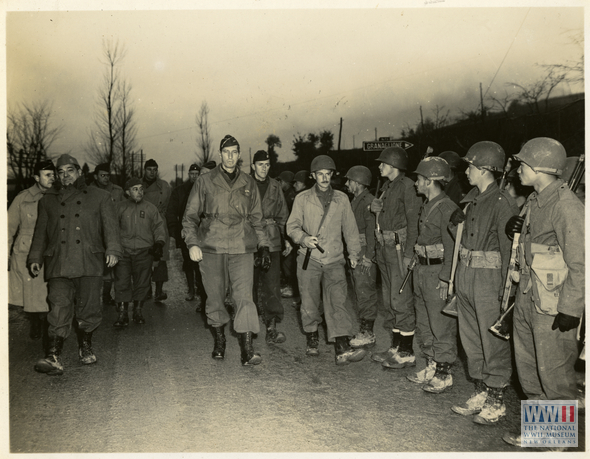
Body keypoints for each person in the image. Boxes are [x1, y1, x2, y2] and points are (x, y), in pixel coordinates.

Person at [502, 138, 585, 447]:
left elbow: (581, 262)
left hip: (553, 305)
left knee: (554, 372)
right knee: (529, 368)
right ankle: (541, 432)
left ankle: (558, 442)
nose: (516, 171)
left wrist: (571, 308)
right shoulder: (536, 200)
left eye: (522, 165)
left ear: (539, 168)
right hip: (528, 297)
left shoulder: (566, 206)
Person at [28, 154, 122, 376]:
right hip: (59, 260)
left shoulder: (99, 196)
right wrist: (35, 258)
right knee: (58, 305)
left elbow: (111, 227)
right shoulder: (47, 200)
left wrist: (113, 249)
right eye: (60, 172)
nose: (65, 175)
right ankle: (53, 354)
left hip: (89, 259)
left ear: (80, 172)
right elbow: (40, 233)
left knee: (88, 307)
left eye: (70, 170)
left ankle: (85, 345)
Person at [182, 135, 270, 366]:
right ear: (220, 155)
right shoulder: (205, 181)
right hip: (212, 246)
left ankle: (247, 349)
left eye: (234, 152)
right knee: (215, 296)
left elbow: (258, 219)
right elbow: (189, 217)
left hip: (242, 246)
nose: (230, 157)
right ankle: (220, 341)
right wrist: (192, 243)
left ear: (239, 155)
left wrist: (264, 246)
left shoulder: (248, 182)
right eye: (226, 152)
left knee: (244, 297)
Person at [449, 141, 518, 424]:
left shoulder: (502, 201)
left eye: (470, 166)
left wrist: (507, 293)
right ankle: (481, 390)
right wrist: (455, 225)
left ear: (484, 169)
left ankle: (497, 399)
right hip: (466, 275)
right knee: (471, 338)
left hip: (489, 280)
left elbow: (508, 249)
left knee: (492, 341)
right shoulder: (471, 199)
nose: (466, 171)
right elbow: (462, 242)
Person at [286, 155, 366, 365]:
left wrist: (354, 254)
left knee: (337, 301)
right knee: (309, 301)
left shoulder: (341, 198)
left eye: (327, 174)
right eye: (319, 174)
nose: (324, 178)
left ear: (332, 175)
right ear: (313, 176)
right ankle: (312, 336)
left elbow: (350, 229)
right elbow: (291, 226)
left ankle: (342, 347)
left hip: (334, 258)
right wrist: (303, 239)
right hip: (309, 258)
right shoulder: (302, 198)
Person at [406, 157, 459, 394]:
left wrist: (446, 278)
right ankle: (431, 364)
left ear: (428, 181)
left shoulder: (447, 208)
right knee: (425, 322)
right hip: (422, 269)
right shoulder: (426, 205)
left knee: (441, 324)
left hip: (437, 271)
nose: (415, 183)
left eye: (418, 179)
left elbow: (452, 246)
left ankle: (444, 372)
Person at [369, 147, 422, 369]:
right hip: (385, 248)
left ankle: (407, 352)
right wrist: (375, 210)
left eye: (383, 163)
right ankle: (397, 346)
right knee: (390, 299)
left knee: (401, 299)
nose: (380, 167)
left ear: (393, 165)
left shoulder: (407, 187)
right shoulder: (388, 186)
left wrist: (410, 253)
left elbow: (413, 222)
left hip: (399, 250)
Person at [8, 160, 55, 340]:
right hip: (27, 250)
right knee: (32, 292)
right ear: (36, 177)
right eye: (47, 175)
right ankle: (36, 322)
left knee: (48, 290)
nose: (52, 178)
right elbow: (8, 228)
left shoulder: (58, 197)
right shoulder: (23, 198)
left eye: (53, 174)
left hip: (49, 249)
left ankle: (46, 322)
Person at [114, 177, 166, 327]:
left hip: (144, 251)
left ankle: (137, 310)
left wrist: (159, 242)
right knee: (122, 281)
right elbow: (112, 229)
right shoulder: (119, 208)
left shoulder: (150, 208)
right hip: (123, 252)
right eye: (135, 189)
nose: (139, 192)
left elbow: (158, 227)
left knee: (142, 282)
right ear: (127, 192)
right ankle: (122, 313)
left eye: (141, 189)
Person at [250, 150, 290, 343]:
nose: (263, 168)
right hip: (249, 240)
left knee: (272, 284)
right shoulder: (245, 185)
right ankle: (248, 327)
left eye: (266, 165)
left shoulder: (276, 186)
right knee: (248, 284)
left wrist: (287, 239)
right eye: (260, 164)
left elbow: (283, 215)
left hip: (272, 239)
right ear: (253, 166)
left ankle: (271, 327)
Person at [344, 166, 379, 349]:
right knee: (360, 290)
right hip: (357, 250)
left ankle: (368, 332)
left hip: (364, 251)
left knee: (366, 291)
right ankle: (365, 330)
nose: (346, 184)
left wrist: (368, 256)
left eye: (349, 181)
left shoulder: (368, 201)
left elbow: (373, 230)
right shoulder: (356, 200)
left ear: (357, 183)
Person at [167, 164, 206, 309]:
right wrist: (175, 232)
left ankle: (203, 293)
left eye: (197, 174)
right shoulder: (180, 191)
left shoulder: (204, 189)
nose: (195, 177)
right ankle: (191, 289)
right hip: (186, 233)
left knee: (201, 265)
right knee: (189, 263)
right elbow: (171, 211)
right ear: (188, 174)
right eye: (192, 174)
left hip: (203, 232)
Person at [89, 163, 125, 305]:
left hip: (113, 231)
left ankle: (106, 295)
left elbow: (123, 210)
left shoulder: (117, 191)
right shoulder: (88, 191)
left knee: (112, 266)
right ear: (96, 176)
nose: (105, 178)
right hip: (94, 233)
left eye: (107, 175)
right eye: (102, 175)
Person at [142, 159, 172, 302]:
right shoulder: (138, 185)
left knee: (160, 258)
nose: (152, 172)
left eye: (155, 169)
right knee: (144, 257)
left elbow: (169, 205)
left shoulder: (164, 186)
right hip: (142, 224)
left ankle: (159, 291)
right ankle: (146, 289)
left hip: (160, 222)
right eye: (149, 169)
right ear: (144, 170)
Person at [277, 170, 297, 299]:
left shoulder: (290, 195)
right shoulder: (288, 194)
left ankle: (292, 287)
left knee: (288, 262)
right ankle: (290, 285)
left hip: (290, 232)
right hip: (288, 232)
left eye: (281, 182)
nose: (280, 184)